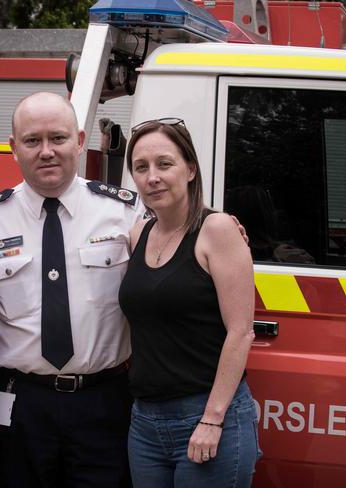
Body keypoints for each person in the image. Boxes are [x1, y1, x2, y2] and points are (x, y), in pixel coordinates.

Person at [0, 92, 142, 487]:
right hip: (19, 403)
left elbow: (175, 257)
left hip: (104, 400)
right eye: (32, 141)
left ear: (80, 141)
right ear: (13, 148)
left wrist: (218, 228)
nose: (46, 151)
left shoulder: (126, 212)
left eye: (58, 138)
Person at [118, 118, 261, 487]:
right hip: (145, 424)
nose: (153, 177)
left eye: (165, 164)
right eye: (141, 167)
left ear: (191, 169)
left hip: (207, 418)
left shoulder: (218, 230)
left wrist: (212, 420)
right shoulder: (138, 234)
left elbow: (241, 332)